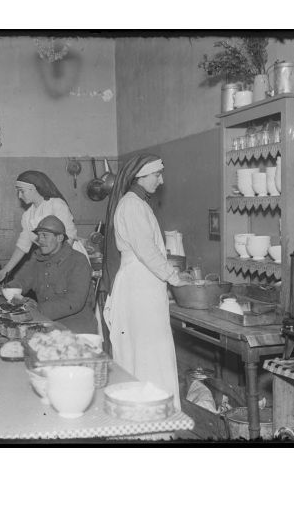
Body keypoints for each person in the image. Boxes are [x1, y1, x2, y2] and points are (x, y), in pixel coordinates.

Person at [102, 154, 189, 410]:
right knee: (147, 352)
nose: (161, 181)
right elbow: (146, 250)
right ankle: (149, 416)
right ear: (141, 176)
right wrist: (173, 277)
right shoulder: (131, 205)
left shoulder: (138, 204)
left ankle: (152, 413)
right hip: (139, 286)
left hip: (144, 284)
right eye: (156, 175)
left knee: (147, 351)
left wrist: (169, 278)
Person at [0, 170, 88, 284]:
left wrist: (58, 263)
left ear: (33, 189)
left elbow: (69, 236)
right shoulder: (27, 216)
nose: (19, 196)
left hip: (69, 257)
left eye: (22, 191)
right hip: (49, 260)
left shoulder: (56, 205)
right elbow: (23, 245)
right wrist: (6, 270)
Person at [7, 215, 97, 334]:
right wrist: (10, 289)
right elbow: (22, 280)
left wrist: (37, 309)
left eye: (45, 235)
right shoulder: (37, 257)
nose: (40, 240)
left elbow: (73, 302)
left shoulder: (78, 261)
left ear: (59, 238)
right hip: (47, 325)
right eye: (39, 235)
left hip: (76, 329)